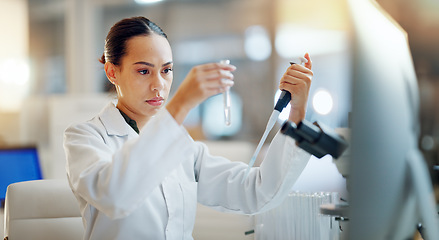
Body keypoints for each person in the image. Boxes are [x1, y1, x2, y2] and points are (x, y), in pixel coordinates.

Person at [63, 16, 313, 240]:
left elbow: (256, 191)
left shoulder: (180, 145)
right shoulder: (84, 137)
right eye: (143, 71)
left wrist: (297, 110)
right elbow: (115, 196)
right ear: (112, 72)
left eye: (167, 70)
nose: (158, 85)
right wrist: (181, 104)